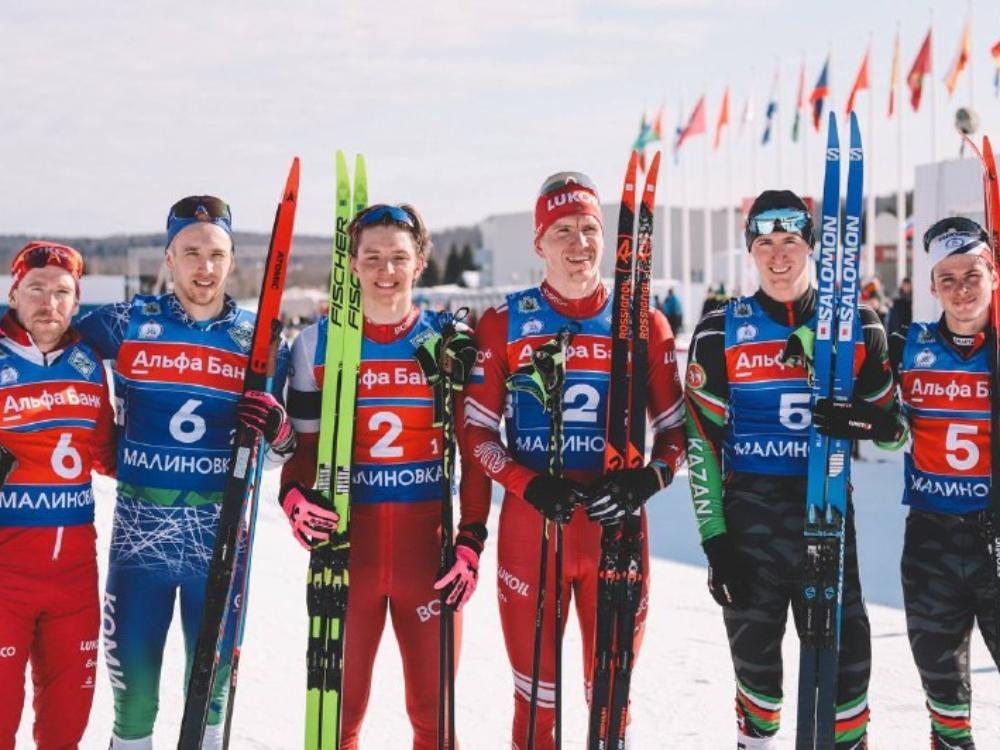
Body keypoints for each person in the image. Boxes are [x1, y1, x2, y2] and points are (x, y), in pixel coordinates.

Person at [462, 172, 686, 748]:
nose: (579, 243)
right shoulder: (504, 322)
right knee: (535, 701)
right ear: (539, 242)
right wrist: (528, 484)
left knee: (610, 698)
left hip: (616, 532)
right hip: (532, 532)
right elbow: (477, 431)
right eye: (562, 230)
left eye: (589, 228)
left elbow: (675, 432)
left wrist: (648, 481)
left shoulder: (645, 322)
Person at [683, 190, 904, 749]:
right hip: (750, 529)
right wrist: (715, 541)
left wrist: (858, 419)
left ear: (811, 246)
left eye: (790, 242)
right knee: (758, 689)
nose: (778, 256)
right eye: (764, 244)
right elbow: (701, 444)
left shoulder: (860, 325)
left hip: (826, 521)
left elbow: (897, 432)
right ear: (750, 251)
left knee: (846, 685)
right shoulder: (718, 330)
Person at [77, 197, 296, 749]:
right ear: (169, 258)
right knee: (133, 706)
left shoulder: (260, 339)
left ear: (232, 261)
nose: (205, 267)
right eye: (191, 252)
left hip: (218, 546)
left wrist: (279, 432)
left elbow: (279, 456)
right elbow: (44, 343)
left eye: (216, 254)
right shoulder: (127, 322)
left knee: (210, 702)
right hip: (138, 546)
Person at [278, 203, 489, 750]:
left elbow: (474, 453)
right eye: (371, 257)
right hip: (350, 553)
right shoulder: (316, 345)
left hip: (428, 554)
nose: (385, 270)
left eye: (398, 257)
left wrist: (470, 540)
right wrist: (293, 498)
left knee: (434, 722)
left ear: (420, 263)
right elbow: (303, 451)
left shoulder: (449, 342)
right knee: (337, 721)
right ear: (351, 264)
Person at [887, 217, 1000, 750]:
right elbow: (875, 408)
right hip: (931, 539)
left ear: (993, 275)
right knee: (944, 697)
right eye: (947, 279)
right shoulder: (908, 344)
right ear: (932, 287)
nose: (961, 290)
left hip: (995, 535)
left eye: (972, 275)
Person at [0, 242, 117, 750]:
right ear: (14, 293)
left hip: (73, 575)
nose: (49, 302)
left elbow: (108, 455)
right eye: (36, 289)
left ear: (76, 302)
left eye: (62, 292)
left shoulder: (88, 364)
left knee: (66, 726)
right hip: (6, 575)